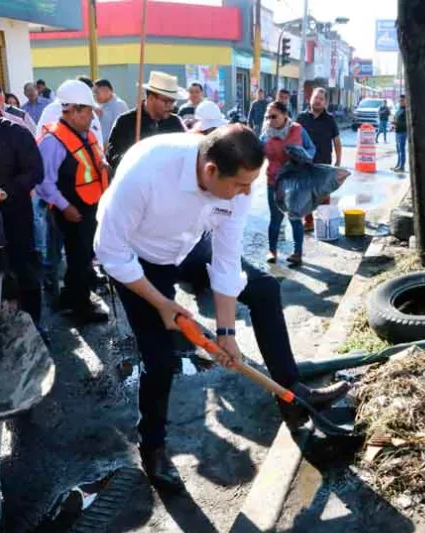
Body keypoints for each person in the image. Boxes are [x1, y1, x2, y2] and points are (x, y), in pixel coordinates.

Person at [92, 126, 352, 491]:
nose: (247, 193)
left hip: (188, 245)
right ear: (211, 171)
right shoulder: (147, 172)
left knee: (263, 289)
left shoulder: (234, 181)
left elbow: (227, 260)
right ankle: (152, 447)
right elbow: (110, 252)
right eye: (241, 185)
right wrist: (163, 304)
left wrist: (228, 334)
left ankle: (291, 394)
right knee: (160, 359)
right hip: (139, 259)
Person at [37, 79, 111, 325]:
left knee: (82, 256)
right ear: (75, 110)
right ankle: (80, 307)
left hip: (88, 207)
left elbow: (89, 164)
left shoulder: (84, 135)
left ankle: (69, 298)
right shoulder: (53, 141)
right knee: (78, 258)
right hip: (71, 211)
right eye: (89, 111)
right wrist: (65, 206)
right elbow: (43, 182)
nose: (92, 117)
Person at [0, 85, 45, 326]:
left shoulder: (16, 132)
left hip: (14, 214)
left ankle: (35, 325)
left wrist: (4, 192)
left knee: (23, 271)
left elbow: (36, 171)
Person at [261, 101, 316, 266]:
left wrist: (303, 156)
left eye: (274, 116)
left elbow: (311, 148)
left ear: (285, 115)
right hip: (274, 181)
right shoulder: (265, 133)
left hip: (294, 181)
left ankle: (297, 253)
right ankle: (272, 250)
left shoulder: (297, 130)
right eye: (267, 116)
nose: (270, 120)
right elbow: (257, 152)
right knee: (275, 218)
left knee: (295, 217)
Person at [105, 71, 187, 172]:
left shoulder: (175, 123)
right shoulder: (126, 122)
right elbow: (112, 156)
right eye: (166, 101)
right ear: (151, 98)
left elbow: (185, 155)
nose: (170, 106)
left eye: (173, 102)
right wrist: (134, 160)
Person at [295, 88, 343, 232]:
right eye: (316, 97)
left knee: (323, 194)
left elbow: (337, 141)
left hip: (324, 163)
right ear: (310, 99)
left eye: (321, 99)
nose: (318, 101)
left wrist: (338, 161)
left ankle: (324, 221)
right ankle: (308, 222)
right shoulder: (301, 118)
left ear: (325, 103)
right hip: (305, 163)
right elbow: (294, 139)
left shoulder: (330, 119)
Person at [36, 77, 105, 149]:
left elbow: (99, 147)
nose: (92, 117)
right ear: (75, 109)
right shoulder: (51, 112)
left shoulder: (89, 113)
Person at [392, 95, 408, 172]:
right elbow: (395, 118)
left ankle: (402, 166)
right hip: (397, 131)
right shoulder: (399, 110)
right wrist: (394, 123)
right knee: (398, 150)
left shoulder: (406, 111)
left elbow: (406, 123)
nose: (401, 102)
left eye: (402, 101)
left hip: (403, 132)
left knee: (402, 150)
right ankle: (398, 164)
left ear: (406, 101)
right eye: (400, 101)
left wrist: (397, 123)